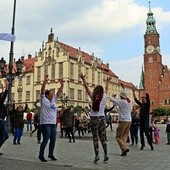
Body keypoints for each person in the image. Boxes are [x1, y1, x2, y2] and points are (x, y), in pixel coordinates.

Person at [80, 72, 110, 163]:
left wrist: (83, 79)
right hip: (102, 118)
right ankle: (105, 154)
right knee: (102, 137)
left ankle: (97, 155)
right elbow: (107, 90)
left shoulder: (93, 97)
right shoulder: (104, 96)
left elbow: (86, 88)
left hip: (94, 118)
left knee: (95, 138)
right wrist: (107, 82)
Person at [38, 75, 64, 162]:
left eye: (53, 94)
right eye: (51, 94)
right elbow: (42, 90)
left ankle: (51, 154)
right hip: (45, 123)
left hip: (53, 123)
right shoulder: (43, 99)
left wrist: (62, 85)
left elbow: (59, 93)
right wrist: (45, 81)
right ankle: (41, 155)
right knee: (46, 139)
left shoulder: (53, 100)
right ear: (47, 95)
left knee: (53, 139)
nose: (52, 95)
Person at [110, 91, 132, 156]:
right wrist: (124, 89)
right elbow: (115, 103)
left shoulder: (122, 102)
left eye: (120, 96)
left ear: (121, 96)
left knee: (118, 136)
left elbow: (112, 99)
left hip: (124, 120)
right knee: (124, 136)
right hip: (129, 120)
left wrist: (112, 96)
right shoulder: (128, 102)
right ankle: (123, 150)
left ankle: (124, 148)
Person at [0, 79, 9, 156]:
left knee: (5, 136)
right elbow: (4, 95)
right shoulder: (0, 102)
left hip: (2, 120)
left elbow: (3, 95)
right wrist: (7, 87)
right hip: (1, 121)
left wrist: (3, 88)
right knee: (3, 136)